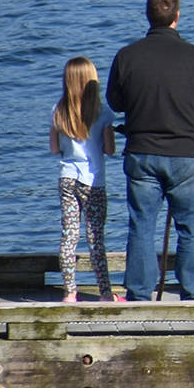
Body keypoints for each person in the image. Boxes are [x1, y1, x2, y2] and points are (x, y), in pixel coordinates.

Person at [107, 0, 194, 301]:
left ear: (149, 17)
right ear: (177, 17)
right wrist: (191, 121)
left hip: (142, 151)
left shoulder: (127, 56)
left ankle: (140, 294)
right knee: (191, 225)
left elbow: (115, 102)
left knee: (142, 225)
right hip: (186, 153)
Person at [49, 56, 122, 303]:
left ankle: (70, 292)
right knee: (95, 237)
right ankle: (104, 292)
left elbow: (54, 148)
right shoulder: (103, 112)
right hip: (94, 182)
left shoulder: (59, 110)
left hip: (67, 178)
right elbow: (110, 150)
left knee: (69, 236)